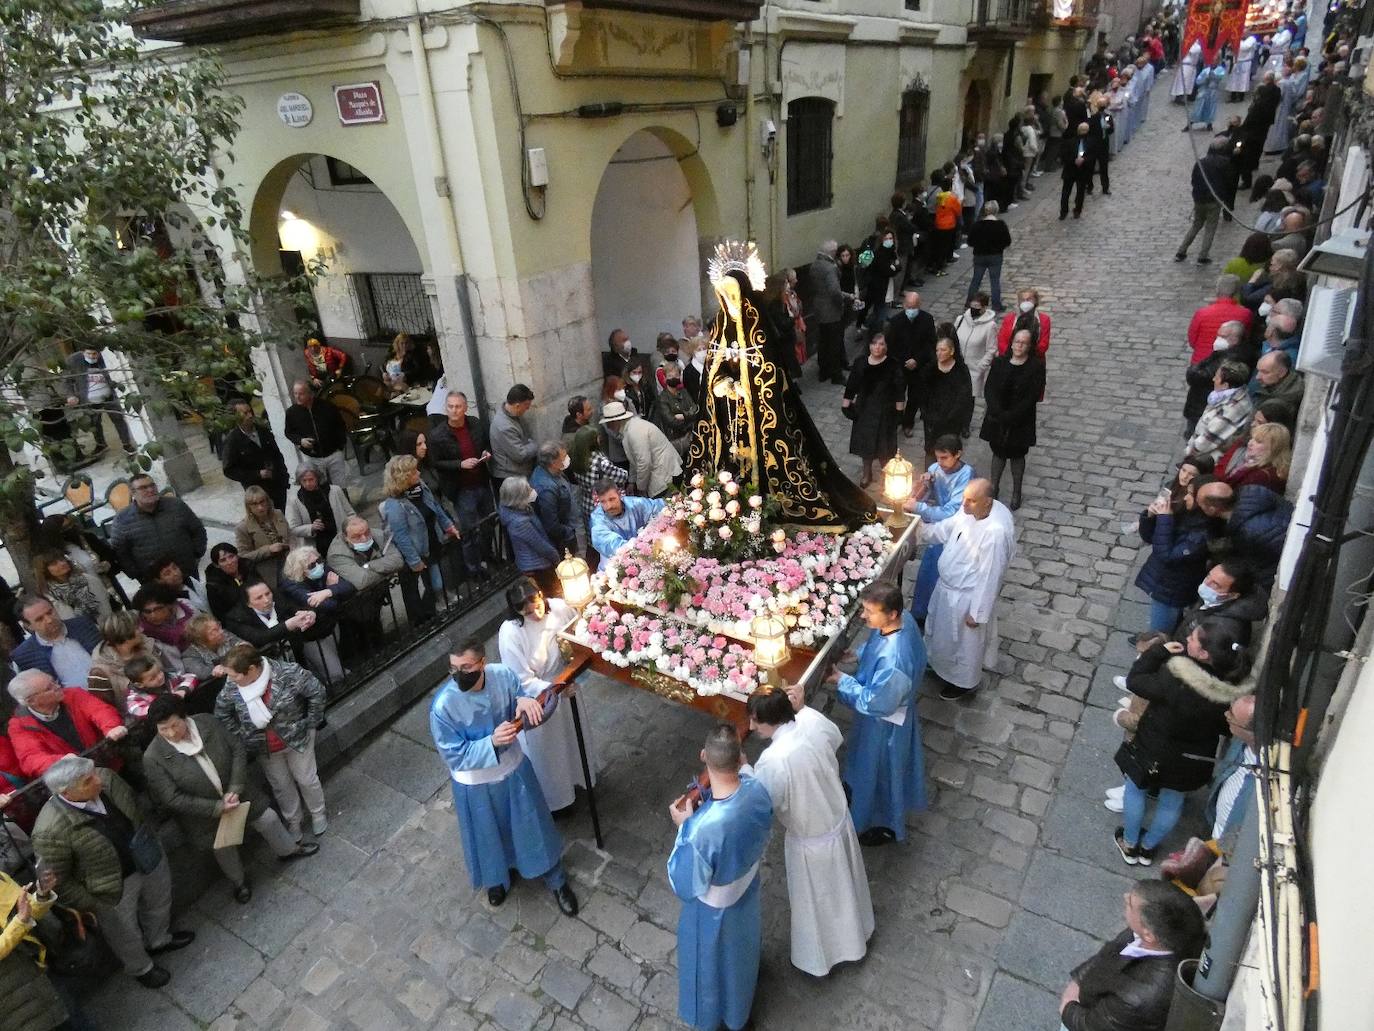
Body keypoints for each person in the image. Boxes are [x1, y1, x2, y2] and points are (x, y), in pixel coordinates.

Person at [429, 639, 579, 914]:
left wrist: (526, 701)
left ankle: (556, 878)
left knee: (532, 824)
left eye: (466, 667)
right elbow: (454, 755)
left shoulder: (503, 677)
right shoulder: (443, 707)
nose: (459, 674)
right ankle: (496, 877)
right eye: (453, 668)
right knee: (488, 834)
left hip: (512, 768)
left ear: (482, 663)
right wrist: (491, 743)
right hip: (476, 785)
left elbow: (529, 712)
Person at [31, 755, 195, 988]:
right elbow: (59, 880)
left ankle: (159, 939)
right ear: (66, 793)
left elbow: (134, 805)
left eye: (95, 773)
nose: (99, 780)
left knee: (159, 901)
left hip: (146, 857)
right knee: (124, 934)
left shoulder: (107, 779)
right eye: (89, 780)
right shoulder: (49, 831)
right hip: (110, 888)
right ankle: (141, 967)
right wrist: (94, 903)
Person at [747, 684, 872, 976]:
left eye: (756, 720)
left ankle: (822, 957)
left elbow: (765, 802)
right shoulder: (809, 721)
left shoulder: (774, 760)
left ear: (772, 720)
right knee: (845, 888)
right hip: (836, 821)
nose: (751, 726)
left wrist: (745, 773)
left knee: (818, 904)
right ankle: (857, 934)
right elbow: (835, 737)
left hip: (811, 839)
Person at [143, 694, 317, 905]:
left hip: (239, 795)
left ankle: (289, 850)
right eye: (164, 730)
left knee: (268, 819)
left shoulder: (207, 722)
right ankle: (239, 883)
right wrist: (217, 807)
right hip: (205, 815)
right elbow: (172, 797)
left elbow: (236, 749)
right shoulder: (153, 757)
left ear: (184, 717)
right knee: (224, 848)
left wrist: (235, 787)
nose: (171, 733)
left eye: (174, 725)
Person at [1114, 620, 1252, 865]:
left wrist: (1158, 652)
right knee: (1172, 801)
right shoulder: (1233, 691)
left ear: (1204, 653)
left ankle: (1130, 842)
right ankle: (1148, 849)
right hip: (1192, 758)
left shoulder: (1177, 676)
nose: (1187, 638)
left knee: (1135, 790)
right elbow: (1225, 728)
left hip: (1154, 746)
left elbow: (1136, 681)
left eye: (1193, 639)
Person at [667, 724, 772, 1031]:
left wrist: (684, 826)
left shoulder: (702, 830)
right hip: (746, 889)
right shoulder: (756, 788)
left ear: (703, 756)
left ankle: (712, 1020)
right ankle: (740, 1011)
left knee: (709, 970)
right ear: (741, 758)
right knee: (741, 952)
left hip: (712, 912)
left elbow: (684, 883)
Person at [831, 581, 928, 845]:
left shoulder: (894, 661)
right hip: (887, 714)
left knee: (880, 770)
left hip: (884, 725)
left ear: (891, 613)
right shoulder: (901, 622)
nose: (864, 616)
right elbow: (877, 646)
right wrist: (860, 655)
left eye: (870, 612)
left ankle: (882, 821)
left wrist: (842, 680)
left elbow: (875, 701)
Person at [497, 579, 595, 814]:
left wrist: (574, 673)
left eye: (536, 605)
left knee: (573, 737)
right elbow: (521, 679)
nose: (534, 613)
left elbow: (577, 631)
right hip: (541, 699)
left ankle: (581, 780)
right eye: (526, 611)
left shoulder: (559, 608)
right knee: (550, 752)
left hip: (566, 683)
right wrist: (555, 688)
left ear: (541, 595)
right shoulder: (511, 633)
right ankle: (558, 801)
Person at [215, 643, 329, 839]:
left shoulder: (288, 673)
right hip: (264, 747)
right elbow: (222, 711)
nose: (231, 680)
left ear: (251, 669)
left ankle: (318, 814)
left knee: (306, 779)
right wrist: (242, 734)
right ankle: (294, 821)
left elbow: (316, 692)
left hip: (296, 739)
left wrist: (309, 722)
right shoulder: (233, 683)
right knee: (281, 786)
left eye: (235, 675)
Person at [1059, 881, 1208, 1030]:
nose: (1125, 897)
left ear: (1149, 935)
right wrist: (1080, 979)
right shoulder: (1161, 931)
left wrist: (1068, 1005)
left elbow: (1090, 1026)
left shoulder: (1139, 1000)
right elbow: (1110, 952)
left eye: (1130, 903)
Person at [919, 479, 1016, 700]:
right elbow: (946, 530)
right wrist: (919, 531)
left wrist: (977, 612)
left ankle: (964, 682)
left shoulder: (995, 532)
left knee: (964, 645)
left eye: (971, 501)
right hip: (946, 590)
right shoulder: (969, 511)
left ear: (987, 502)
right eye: (964, 498)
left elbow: (991, 574)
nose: (964, 505)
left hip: (967, 598)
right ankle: (938, 665)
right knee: (940, 635)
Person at [379, 455, 460, 623]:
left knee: (436, 575)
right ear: (404, 477)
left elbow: (435, 507)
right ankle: (430, 613)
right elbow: (401, 536)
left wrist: (448, 525)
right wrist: (414, 560)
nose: (418, 473)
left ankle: (443, 600)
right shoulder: (395, 505)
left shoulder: (420, 487)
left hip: (431, 538)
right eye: (414, 471)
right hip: (418, 548)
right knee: (425, 584)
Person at [427, 391, 495, 579]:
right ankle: (473, 569)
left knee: (488, 523)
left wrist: (486, 454)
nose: (454, 410)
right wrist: (460, 464)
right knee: (469, 530)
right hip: (462, 488)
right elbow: (435, 462)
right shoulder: (437, 435)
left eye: (458, 406)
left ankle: (487, 556)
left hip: (481, 481)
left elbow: (487, 444)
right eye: (450, 406)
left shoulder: (475, 424)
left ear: (465, 408)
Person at [6, 672, 126, 778]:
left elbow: (99, 710)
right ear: (31, 701)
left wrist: (111, 727)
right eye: (49, 688)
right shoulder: (20, 725)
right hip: (77, 779)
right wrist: (60, 761)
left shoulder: (73, 694)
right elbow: (30, 758)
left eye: (54, 681)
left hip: (110, 761)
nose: (57, 686)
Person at [907, 436, 975, 623]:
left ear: (958, 454)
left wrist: (919, 508)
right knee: (927, 572)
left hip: (956, 529)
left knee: (944, 573)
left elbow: (951, 511)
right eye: (937, 458)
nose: (940, 463)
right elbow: (927, 494)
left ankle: (939, 616)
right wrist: (925, 485)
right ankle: (920, 613)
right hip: (938, 528)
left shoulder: (966, 475)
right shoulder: (935, 469)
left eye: (945, 458)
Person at [981, 330, 1045, 510]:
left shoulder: (1035, 367)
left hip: (1020, 419)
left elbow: (1032, 395)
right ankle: (993, 487)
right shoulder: (1000, 362)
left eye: (1024, 343)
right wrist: (998, 411)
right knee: (998, 452)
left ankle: (1017, 491)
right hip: (998, 416)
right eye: (1017, 342)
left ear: (1030, 346)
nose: (1019, 345)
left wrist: (1013, 415)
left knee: (1017, 454)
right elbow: (990, 388)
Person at [1134, 485, 1211, 634]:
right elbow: (1152, 537)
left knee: (1160, 633)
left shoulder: (1200, 534)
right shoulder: (1185, 512)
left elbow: (1165, 554)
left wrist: (1164, 519)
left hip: (1171, 587)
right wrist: (1149, 516)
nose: (1186, 497)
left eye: (1190, 494)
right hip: (1165, 581)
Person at [109, 474, 207, 584]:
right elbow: (121, 554)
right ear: (132, 493)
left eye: (152, 485)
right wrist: (137, 575)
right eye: (143, 488)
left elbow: (198, 530)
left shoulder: (176, 506)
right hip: (154, 583)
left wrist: (196, 554)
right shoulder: (122, 520)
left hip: (187, 572)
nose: (150, 490)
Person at [87, 609, 186, 715]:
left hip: (175, 705)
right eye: (137, 628)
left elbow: (172, 673)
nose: (142, 629)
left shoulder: (150, 647)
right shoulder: (100, 671)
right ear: (125, 635)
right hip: (139, 720)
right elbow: (103, 708)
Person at [1197, 481, 1293, 587]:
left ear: (1212, 510)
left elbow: (1262, 567)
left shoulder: (1247, 533)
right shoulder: (1254, 490)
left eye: (1201, 505)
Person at [842, 334, 905, 490]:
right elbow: (851, 385)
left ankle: (887, 476)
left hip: (886, 411)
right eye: (874, 343)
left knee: (885, 447)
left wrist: (899, 413)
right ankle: (867, 473)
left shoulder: (893, 365)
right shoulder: (860, 363)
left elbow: (899, 391)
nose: (878, 347)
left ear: (887, 347)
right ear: (869, 345)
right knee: (866, 445)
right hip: (864, 410)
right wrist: (846, 405)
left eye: (882, 344)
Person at [599, 400, 681, 498]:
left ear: (615, 422)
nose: (607, 427)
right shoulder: (630, 428)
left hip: (665, 475)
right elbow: (635, 460)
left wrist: (640, 488)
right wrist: (632, 482)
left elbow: (644, 462)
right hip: (661, 473)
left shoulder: (634, 431)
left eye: (608, 423)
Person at [11, 596, 100, 685]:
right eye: (39, 619)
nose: (49, 620)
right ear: (28, 626)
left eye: (50, 612)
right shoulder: (24, 655)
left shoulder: (83, 625)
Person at [63, 345, 135, 456]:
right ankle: (101, 445)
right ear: (83, 352)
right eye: (88, 354)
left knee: (118, 419)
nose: (92, 356)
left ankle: (126, 444)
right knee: (94, 423)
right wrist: (70, 395)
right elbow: (66, 380)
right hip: (88, 399)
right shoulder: (74, 361)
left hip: (109, 396)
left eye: (94, 354)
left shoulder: (106, 358)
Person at [883, 290, 937, 438]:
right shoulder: (896, 321)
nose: (911, 310)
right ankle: (895, 421)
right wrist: (904, 360)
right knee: (896, 395)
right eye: (909, 306)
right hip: (900, 366)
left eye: (914, 307)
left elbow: (930, 344)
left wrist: (917, 360)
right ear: (904, 305)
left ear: (919, 305)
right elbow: (891, 346)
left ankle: (908, 423)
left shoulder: (927, 320)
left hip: (919, 368)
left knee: (915, 397)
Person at [1175, 138, 1236, 265]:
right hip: (1214, 200)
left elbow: (1193, 180)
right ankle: (1203, 256)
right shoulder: (1225, 163)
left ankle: (1181, 251)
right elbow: (1230, 183)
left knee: (1196, 225)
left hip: (1199, 199)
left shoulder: (1201, 162)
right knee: (1210, 228)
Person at [498, 477, 562, 598]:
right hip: (538, 566)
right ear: (518, 498)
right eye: (527, 490)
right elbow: (540, 546)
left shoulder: (516, 509)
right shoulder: (519, 523)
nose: (532, 490)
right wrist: (556, 559)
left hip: (538, 563)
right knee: (552, 595)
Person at [220, 398, 289, 510]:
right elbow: (229, 470)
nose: (250, 415)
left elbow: (277, 455)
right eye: (245, 413)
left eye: (250, 411)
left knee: (280, 517)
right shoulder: (232, 441)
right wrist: (257, 474)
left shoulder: (263, 431)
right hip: (257, 491)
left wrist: (283, 477)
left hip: (276, 485)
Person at [916, 331, 974, 462]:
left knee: (949, 452)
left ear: (952, 351)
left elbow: (964, 397)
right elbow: (922, 394)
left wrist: (951, 416)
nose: (939, 353)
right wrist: (927, 414)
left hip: (952, 421)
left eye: (943, 350)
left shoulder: (960, 370)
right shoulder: (929, 370)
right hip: (931, 420)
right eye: (937, 350)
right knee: (931, 451)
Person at [282, 380, 349, 490]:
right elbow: (289, 432)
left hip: (333, 453)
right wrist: (300, 441)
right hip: (313, 457)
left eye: (301, 393)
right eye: (295, 393)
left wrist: (340, 446)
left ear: (310, 394)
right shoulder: (291, 413)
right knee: (321, 486)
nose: (297, 397)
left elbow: (340, 425)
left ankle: (344, 505)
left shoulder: (326, 406)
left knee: (340, 486)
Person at [1185, 359, 1254, 463]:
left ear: (1225, 385)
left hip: (1207, 459)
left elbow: (1208, 440)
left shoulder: (1230, 409)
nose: (1213, 379)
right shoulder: (1230, 396)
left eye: (1217, 377)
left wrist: (1190, 452)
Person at [588, 481, 665, 571]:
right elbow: (611, 544)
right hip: (614, 569)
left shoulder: (634, 503)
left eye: (612, 499)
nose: (609, 506)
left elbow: (657, 507)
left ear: (620, 495)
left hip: (645, 559)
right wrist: (638, 548)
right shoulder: (597, 519)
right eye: (603, 502)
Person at [285, 463, 355, 558]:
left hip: (340, 538)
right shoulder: (295, 500)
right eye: (304, 480)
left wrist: (352, 530)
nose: (308, 483)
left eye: (311, 479)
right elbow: (292, 528)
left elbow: (350, 514)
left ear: (317, 478)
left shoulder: (335, 491)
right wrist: (311, 528)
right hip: (316, 547)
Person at [810, 240, 855, 385]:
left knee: (822, 341)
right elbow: (834, 291)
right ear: (832, 253)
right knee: (834, 342)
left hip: (818, 307)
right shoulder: (830, 268)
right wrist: (844, 300)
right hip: (830, 310)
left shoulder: (814, 265)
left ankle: (823, 371)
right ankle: (836, 375)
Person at [328, 514, 404, 593]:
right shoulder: (336, 554)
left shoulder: (378, 535)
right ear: (345, 537)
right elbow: (362, 581)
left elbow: (398, 560)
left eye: (367, 533)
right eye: (357, 536)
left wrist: (368, 566)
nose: (364, 539)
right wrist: (387, 569)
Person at [31, 549, 111, 625]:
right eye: (54, 563)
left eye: (62, 559)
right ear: (44, 571)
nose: (62, 564)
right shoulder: (48, 596)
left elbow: (105, 608)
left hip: (106, 627)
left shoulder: (88, 580)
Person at [1186, 275, 1252, 364]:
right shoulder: (1245, 313)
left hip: (1201, 361)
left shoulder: (1202, 313)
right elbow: (1245, 338)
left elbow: (1192, 340)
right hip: (1229, 361)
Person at [530, 442, 578, 555]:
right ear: (553, 462)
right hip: (562, 540)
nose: (567, 459)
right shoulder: (546, 489)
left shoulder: (553, 472)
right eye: (564, 457)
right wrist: (569, 532)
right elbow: (552, 525)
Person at [1215, 422, 1291, 491]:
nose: (1250, 443)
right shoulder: (1251, 465)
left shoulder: (1261, 477)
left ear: (1274, 448)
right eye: (1252, 438)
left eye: (1258, 442)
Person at [489, 384, 538, 488]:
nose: (527, 409)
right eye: (526, 406)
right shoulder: (504, 426)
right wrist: (534, 445)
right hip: (510, 478)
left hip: (517, 474)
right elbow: (520, 455)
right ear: (517, 406)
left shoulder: (511, 414)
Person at [965, 201, 1010, 311]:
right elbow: (1007, 241)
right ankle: (996, 305)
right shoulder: (1001, 225)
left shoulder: (977, 225)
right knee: (995, 281)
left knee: (976, 280)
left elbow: (970, 241)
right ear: (996, 210)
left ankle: (969, 302)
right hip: (995, 256)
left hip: (980, 256)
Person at [180, 613, 247, 682]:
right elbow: (203, 674)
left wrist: (226, 666)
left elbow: (245, 647)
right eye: (213, 631)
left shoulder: (225, 635)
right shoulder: (190, 655)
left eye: (219, 626)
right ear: (200, 639)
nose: (221, 631)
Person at [131, 583, 195, 653]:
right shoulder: (142, 634)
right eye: (147, 611)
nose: (153, 615)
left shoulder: (189, 610)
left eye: (158, 609)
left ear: (171, 605)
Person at [956, 293, 1000, 395]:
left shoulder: (990, 326)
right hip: (957, 369)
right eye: (972, 306)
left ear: (984, 308)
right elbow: (952, 340)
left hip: (974, 372)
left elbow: (991, 349)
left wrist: (980, 367)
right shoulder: (960, 320)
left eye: (977, 306)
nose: (973, 309)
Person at [205, 543, 258, 621]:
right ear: (217, 565)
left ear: (237, 556)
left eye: (231, 556)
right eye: (223, 560)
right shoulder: (214, 585)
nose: (229, 562)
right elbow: (220, 614)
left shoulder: (249, 567)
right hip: (238, 620)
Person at [653, 369, 700, 456]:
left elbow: (695, 409)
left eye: (676, 375)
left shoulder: (684, 392)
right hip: (673, 439)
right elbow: (671, 421)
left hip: (689, 435)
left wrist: (684, 416)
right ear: (665, 378)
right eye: (670, 376)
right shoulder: (662, 398)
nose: (673, 378)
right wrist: (689, 417)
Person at [1059, 123, 1092, 219]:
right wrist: (1074, 161)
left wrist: (1084, 159)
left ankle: (1076, 210)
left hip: (1082, 170)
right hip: (1071, 169)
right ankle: (1065, 211)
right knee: (1067, 192)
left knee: (1079, 192)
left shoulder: (1089, 142)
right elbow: (1064, 156)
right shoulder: (1070, 142)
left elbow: (1092, 155)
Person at [1186, 60, 1226, 129]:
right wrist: (1205, 78)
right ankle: (1191, 123)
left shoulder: (1220, 70)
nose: (1213, 62)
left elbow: (1220, 78)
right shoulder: (1205, 70)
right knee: (1198, 107)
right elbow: (1198, 81)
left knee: (1211, 107)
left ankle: (1209, 124)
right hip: (1203, 91)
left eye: (1215, 60)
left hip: (1213, 92)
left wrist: (1211, 75)